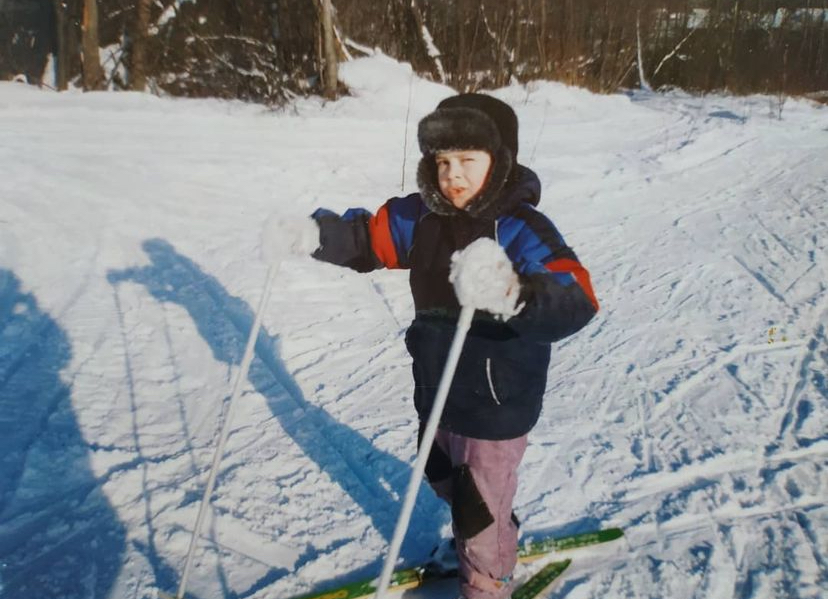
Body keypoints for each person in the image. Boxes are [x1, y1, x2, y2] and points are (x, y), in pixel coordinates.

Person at [306, 93, 599, 599]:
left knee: (477, 510)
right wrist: (312, 235)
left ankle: (488, 578)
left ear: (500, 160)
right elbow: (367, 238)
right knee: (444, 476)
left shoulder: (519, 228)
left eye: (467, 159)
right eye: (442, 161)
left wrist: (513, 291)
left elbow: (577, 296)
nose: (452, 175)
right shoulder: (422, 218)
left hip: (494, 402)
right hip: (437, 386)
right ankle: (488, 529)